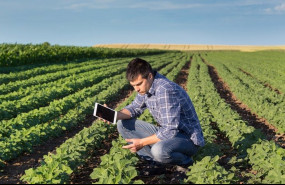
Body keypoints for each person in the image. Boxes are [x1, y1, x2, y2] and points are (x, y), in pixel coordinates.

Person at [105, 58, 205, 174]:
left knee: (159, 150)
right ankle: (156, 163)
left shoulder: (165, 90)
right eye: (133, 85)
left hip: (188, 139)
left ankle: (186, 164)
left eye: (139, 84)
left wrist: (141, 142)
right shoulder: (145, 88)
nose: (136, 89)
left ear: (150, 76)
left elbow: (169, 130)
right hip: (171, 134)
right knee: (123, 124)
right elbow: (134, 108)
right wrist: (114, 115)